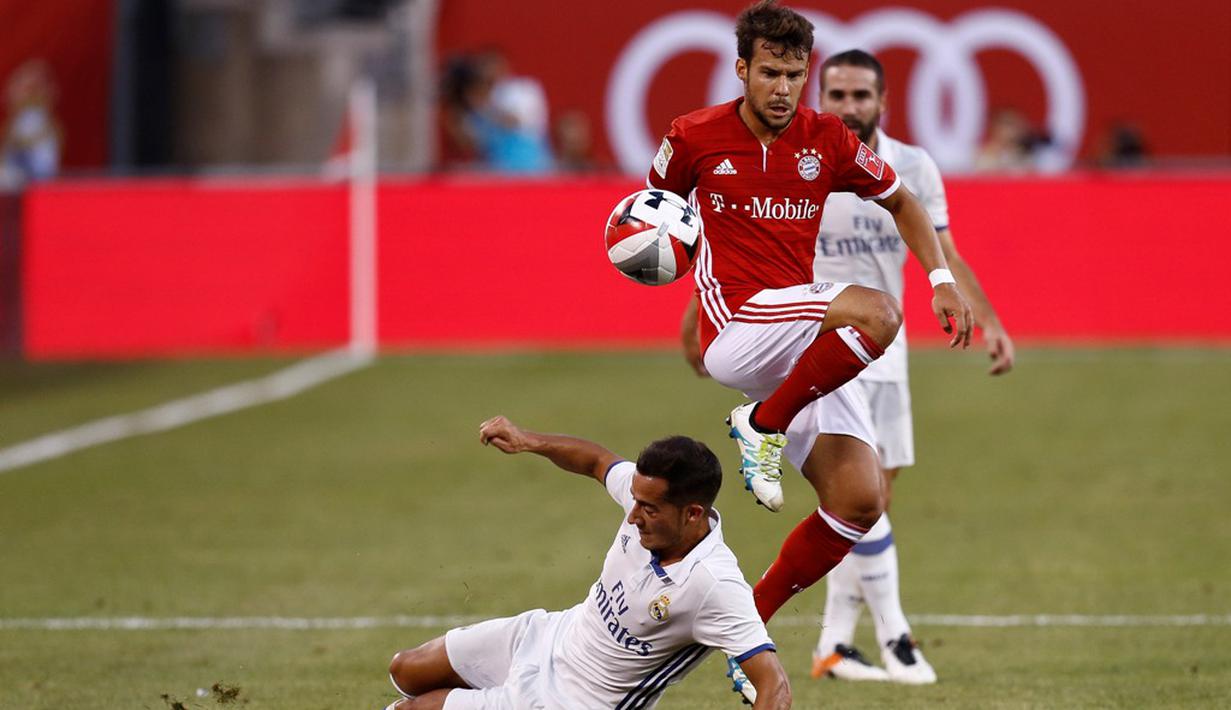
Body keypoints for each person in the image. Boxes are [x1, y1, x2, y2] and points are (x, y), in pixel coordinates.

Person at [651, 1, 971, 700]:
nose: (782, 88)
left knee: (860, 500)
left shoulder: (824, 139)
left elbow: (905, 202)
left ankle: (746, 630)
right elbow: (655, 219)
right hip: (736, 330)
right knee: (879, 312)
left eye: (795, 74)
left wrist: (941, 280)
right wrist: (657, 266)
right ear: (741, 70)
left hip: (799, 341)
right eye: (769, 73)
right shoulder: (692, 136)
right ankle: (759, 425)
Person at [800, 49, 1014, 684]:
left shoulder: (912, 166)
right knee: (858, 498)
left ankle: (834, 647)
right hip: (825, 349)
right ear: (822, 98)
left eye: (860, 95)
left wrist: (990, 319)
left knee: (871, 501)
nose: (848, 107)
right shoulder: (800, 164)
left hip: (889, 354)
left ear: (882, 102)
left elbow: (941, 248)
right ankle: (896, 638)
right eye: (836, 95)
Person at [383, 416, 791, 710]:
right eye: (636, 501)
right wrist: (529, 441)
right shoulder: (646, 496)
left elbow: (773, 684)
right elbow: (597, 460)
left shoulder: (712, 583)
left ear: (692, 514)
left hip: (570, 701)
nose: (633, 516)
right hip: (546, 637)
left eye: (648, 509)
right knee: (406, 670)